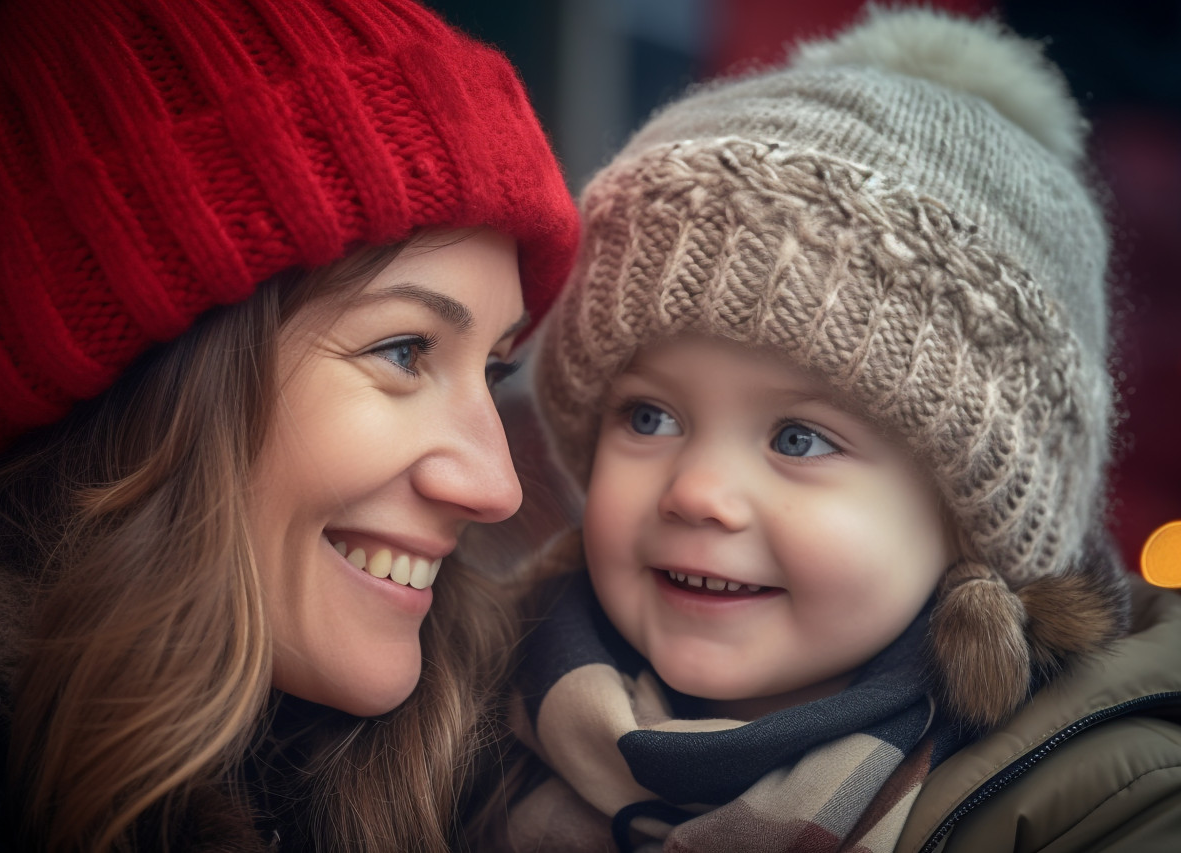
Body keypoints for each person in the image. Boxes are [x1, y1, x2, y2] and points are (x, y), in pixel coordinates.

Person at [0, 1, 577, 850]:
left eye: (495, 368)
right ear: (135, 384)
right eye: (404, 350)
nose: (496, 486)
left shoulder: (525, 772)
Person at [502, 8, 1181, 852]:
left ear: (974, 521)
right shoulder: (466, 718)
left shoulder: (1098, 802)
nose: (699, 493)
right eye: (650, 416)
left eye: (798, 438)